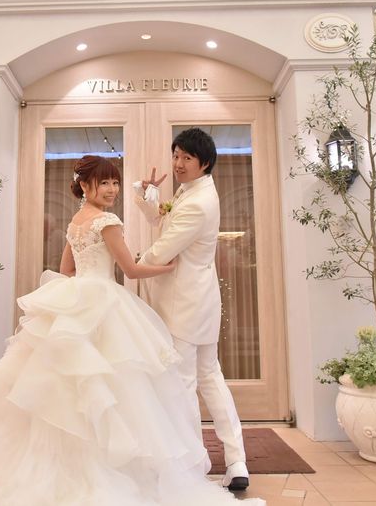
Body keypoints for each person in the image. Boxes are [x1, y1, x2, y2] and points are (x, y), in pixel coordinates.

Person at [0, 155, 264, 505]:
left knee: (68, 390)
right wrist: (165, 267)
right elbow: (130, 270)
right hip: (106, 302)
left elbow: (66, 270)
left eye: (114, 182)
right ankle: (113, 468)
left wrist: (80, 294)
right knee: (113, 389)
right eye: (103, 182)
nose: (111, 189)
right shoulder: (108, 221)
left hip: (78, 300)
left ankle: (61, 467)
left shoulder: (76, 221)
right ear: (85, 185)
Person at [134, 128, 249, 492]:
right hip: (198, 301)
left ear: (205, 163)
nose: (178, 164)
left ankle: (191, 466)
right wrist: (148, 194)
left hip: (184, 305)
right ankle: (236, 461)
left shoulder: (199, 203)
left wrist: (135, 262)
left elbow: (163, 250)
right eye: (176, 155)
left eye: (187, 158)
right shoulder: (193, 191)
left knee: (184, 384)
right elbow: (160, 218)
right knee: (210, 378)